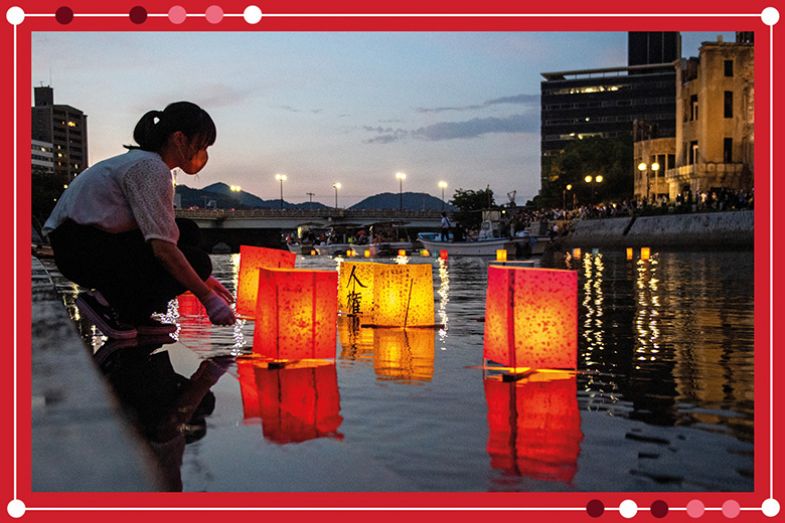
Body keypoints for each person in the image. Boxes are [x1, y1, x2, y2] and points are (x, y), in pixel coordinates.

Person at [43, 101, 236, 339]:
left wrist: (202, 280)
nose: (203, 152)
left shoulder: (143, 162)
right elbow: (163, 250)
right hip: (82, 250)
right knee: (197, 260)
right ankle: (106, 304)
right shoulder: (150, 169)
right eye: (202, 144)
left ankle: (134, 313)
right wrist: (207, 296)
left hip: (80, 244)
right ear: (179, 139)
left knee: (187, 231)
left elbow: (163, 231)